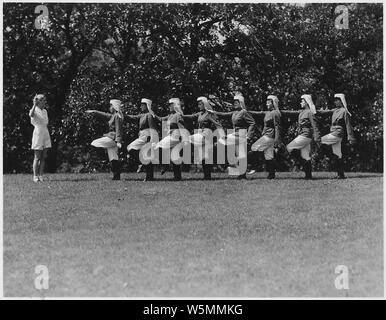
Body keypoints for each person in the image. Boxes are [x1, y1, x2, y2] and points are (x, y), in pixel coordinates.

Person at [208, 95, 257, 179]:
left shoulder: (244, 112)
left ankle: (228, 164)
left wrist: (249, 136)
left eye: (236, 102)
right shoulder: (234, 113)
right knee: (241, 154)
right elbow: (223, 114)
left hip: (241, 134)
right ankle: (242, 175)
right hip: (235, 134)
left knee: (222, 142)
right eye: (234, 102)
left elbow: (252, 123)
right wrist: (213, 112)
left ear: (241, 103)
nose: (234, 104)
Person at [180, 96, 225, 180]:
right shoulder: (200, 114)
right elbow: (192, 116)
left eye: (200, 104)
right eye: (198, 104)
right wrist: (182, 116)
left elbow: (218, 124)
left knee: (188, 139)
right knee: (204, 157)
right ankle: (207, 176)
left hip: (206, 135)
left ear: (205, 104)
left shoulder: (209, 114)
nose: (199, 106)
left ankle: (207, 175)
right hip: (200, 134)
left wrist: (222, 136)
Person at [318, 93, 356, 179]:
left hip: (338, 133)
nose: (335, 102)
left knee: (319, 140)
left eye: (337, 100)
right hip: (335, 133)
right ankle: (341, 174)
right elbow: (323, 112)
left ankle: (329, 157)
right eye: (335, 100)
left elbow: (348, 125)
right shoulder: (334, 110)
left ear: (341, 101)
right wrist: (314, 111)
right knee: (338, 154)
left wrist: (351, 138)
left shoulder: (344, 111)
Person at [283, 94, 321, 180]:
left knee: (289, 147)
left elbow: (315, 125)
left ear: (306, 103)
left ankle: (302, 164)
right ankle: (308, 176)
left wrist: (317, 138)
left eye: (302, 101)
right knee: (306, 156)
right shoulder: (302, 112)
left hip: (306, 135)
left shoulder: (310, 112)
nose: (300, 102)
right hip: (303, 135)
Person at [86, 99, 123, 180]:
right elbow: (104, 115)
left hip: (113, 138)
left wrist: (118, 141)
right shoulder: (114, 115)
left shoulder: (117, 116)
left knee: (94, 143)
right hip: (114, 139)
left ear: (114, 107)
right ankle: (116, 176)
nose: (110, 107)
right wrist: (94, 111)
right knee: (113, 158)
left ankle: (103, 160)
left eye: (111, 105)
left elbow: (118, 128)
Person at [153, 98, 189, 181]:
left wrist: (185, 139)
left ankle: (165, 164)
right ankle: (177, 177)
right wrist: (153, 115)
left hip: (175, 136)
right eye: (169, 105)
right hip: (171, 136)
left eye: (171, 105)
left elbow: (182, 127)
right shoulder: (170, 115)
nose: (169, 106)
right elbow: (161, 119)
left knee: (157, 147)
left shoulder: (178, 115)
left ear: (175, 105)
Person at [249, 95, 282, 179]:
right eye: (266, 102)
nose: (267, 104)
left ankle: (255, 166)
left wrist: (277, 140)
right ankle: (271, 175)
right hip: (267, 135)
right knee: (269, 155)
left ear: (273, 103)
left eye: (268, 102)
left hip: (270, 136)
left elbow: (277, 127)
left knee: (254, 147)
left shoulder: (275, 113)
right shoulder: (268, 112)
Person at [126, 98, 158, 181]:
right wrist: (123, 115)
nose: (141, 107)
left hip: (146, 137)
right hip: (142, 136)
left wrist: (153, 140)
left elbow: (152, 128)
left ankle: (145, 169)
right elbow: (132, 118)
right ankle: (149, 176)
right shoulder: (142, 115)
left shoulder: (149, 115)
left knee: (130, 147)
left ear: (147, 106)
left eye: (143, 105)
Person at [29, 94, 52, 182]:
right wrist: (34, 104)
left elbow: (46, 122)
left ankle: (41, 175)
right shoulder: (34, 109)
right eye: (43, 100)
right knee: (37, 157)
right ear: (38, 101)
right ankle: (35, 176)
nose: (45, 102)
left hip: (45, 132)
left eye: (45, 100)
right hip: (38, 133)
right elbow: (31, 115)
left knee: (43, 156)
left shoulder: (45, 111)